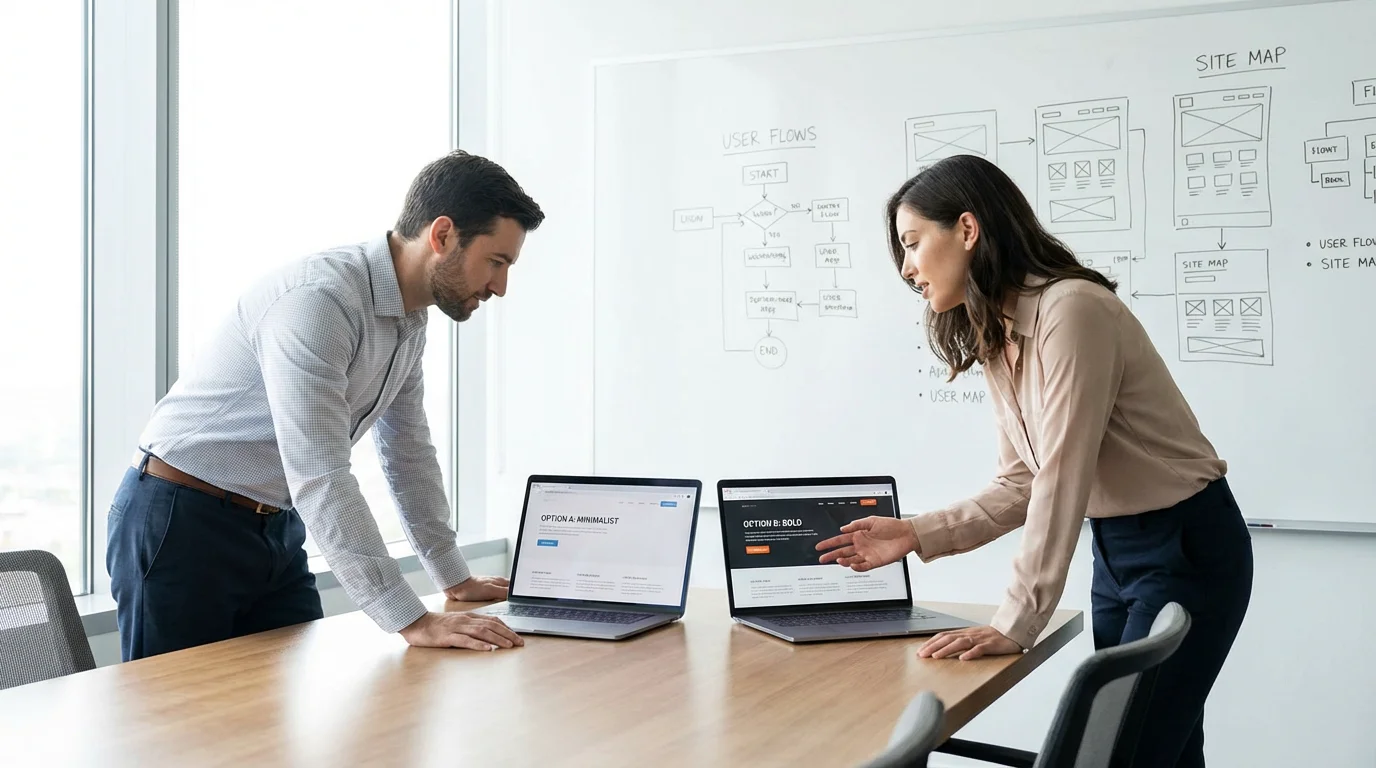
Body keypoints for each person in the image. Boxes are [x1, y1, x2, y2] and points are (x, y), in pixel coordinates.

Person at [816, 154, 1252, 767]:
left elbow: (1062, 476)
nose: (908, 268)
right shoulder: (999, 332)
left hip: (1186, 545)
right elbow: (1022, 480)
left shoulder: (1072, 310)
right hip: (1117, 553)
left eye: (912, 244)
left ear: (967, 229)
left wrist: (1015, 622)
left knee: (1123, 751)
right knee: (1161, 751)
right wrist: (915, 533)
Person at [107, 150, 541, 661]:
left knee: (290, 705)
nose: (500, 287)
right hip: (181, 520)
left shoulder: (409, 319)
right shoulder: (320, 300)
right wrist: (412, 620)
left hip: (275, 524)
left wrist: (453, 577)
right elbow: (320, 474)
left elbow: (408, 455)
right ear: (442, 235)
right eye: (496, 262)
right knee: (175, 708)